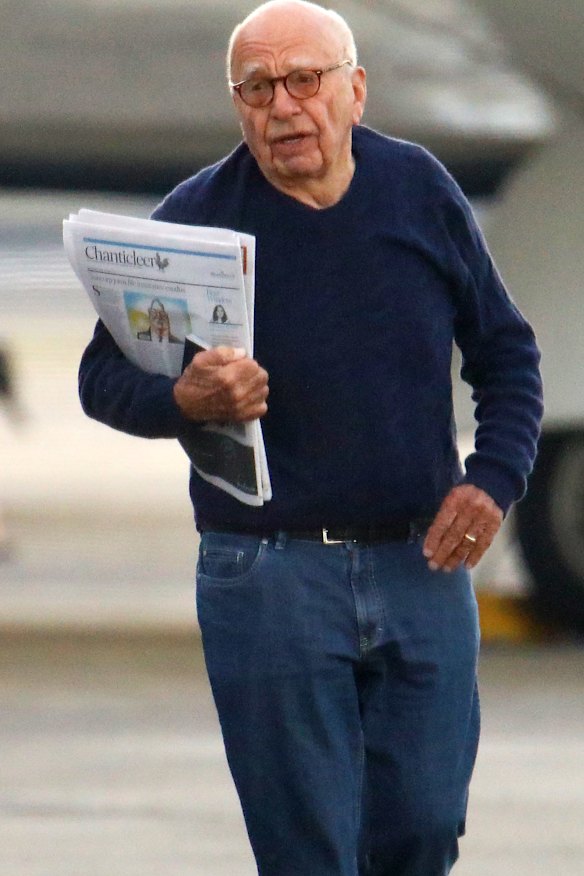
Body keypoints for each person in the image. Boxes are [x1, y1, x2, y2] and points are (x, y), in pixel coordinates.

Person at [78, 1, 543, 873]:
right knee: (308, 853)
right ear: (238, 105)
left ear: (354, 91)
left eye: (304, 80)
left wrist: (494, 479)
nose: (283, 107)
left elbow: (507, 353)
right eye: (258, 88)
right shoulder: (197, 216)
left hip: (421, 561)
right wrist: (184, 396)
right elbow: (99, 380)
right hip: (267, 573)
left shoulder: (418, 189)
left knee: (424, 828)